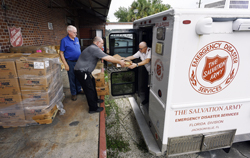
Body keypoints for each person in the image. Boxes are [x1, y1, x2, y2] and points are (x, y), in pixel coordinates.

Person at [74, 37, 125, 114]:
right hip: (82, 72)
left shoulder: (93, 48)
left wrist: (116, 59)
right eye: (102, 43)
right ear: (97, 43)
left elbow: (107, 56)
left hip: (86, 71)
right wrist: (119, 61)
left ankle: (95, 100)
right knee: (89, 89)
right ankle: (93, 108)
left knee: (92, 84)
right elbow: (107, 58)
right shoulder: (94, 48)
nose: (103, 45)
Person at [59, 25, 84, 101]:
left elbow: (78, 50)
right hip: (70, 62)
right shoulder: (64, 40)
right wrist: (65, 64)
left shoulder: (76, 39)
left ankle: (78, 90)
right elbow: (61, 53)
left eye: (76, 32)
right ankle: (73, 93)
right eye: (74, 32)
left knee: (79, 77)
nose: (76, 34)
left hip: (78, 62)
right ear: (69, 32)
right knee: (72, 78)